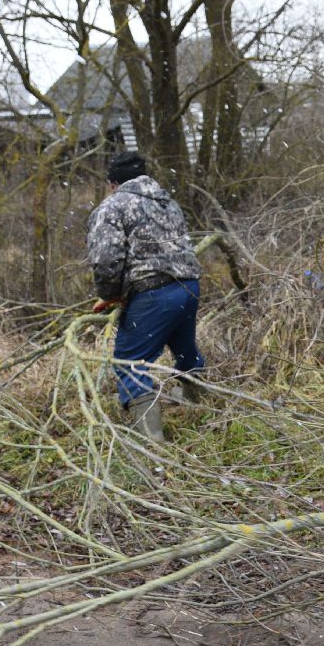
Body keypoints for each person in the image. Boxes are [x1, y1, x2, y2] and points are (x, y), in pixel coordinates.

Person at [86, 151, 204, 442]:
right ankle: (202, 408)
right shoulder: (168, 202)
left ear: (113, 183)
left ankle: (152, 445)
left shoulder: (112, 207)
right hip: (189, 287)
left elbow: (105, 260)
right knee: (184, 349)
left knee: (130, 361)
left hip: (153, 292)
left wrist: (110, 295)